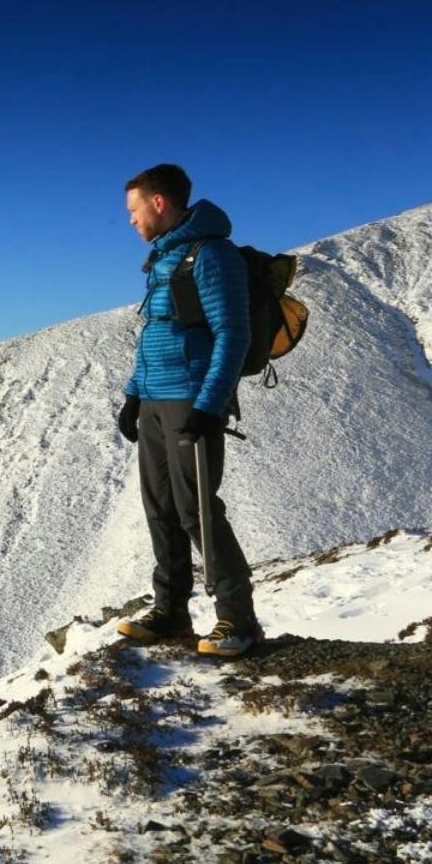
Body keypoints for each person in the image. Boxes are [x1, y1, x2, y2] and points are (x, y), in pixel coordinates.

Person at [113, 164, 262, 657]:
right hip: (157, 399)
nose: (131, 222)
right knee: (160, 508)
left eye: (134, 210)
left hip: (190, 400)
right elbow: (153, 333)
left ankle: (238, 620)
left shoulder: (210, 254)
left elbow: (233, 333)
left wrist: (209, 403)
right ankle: (172, 609)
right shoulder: (163, 258)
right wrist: (135, 394)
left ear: (159, 204)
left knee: (196, 509)